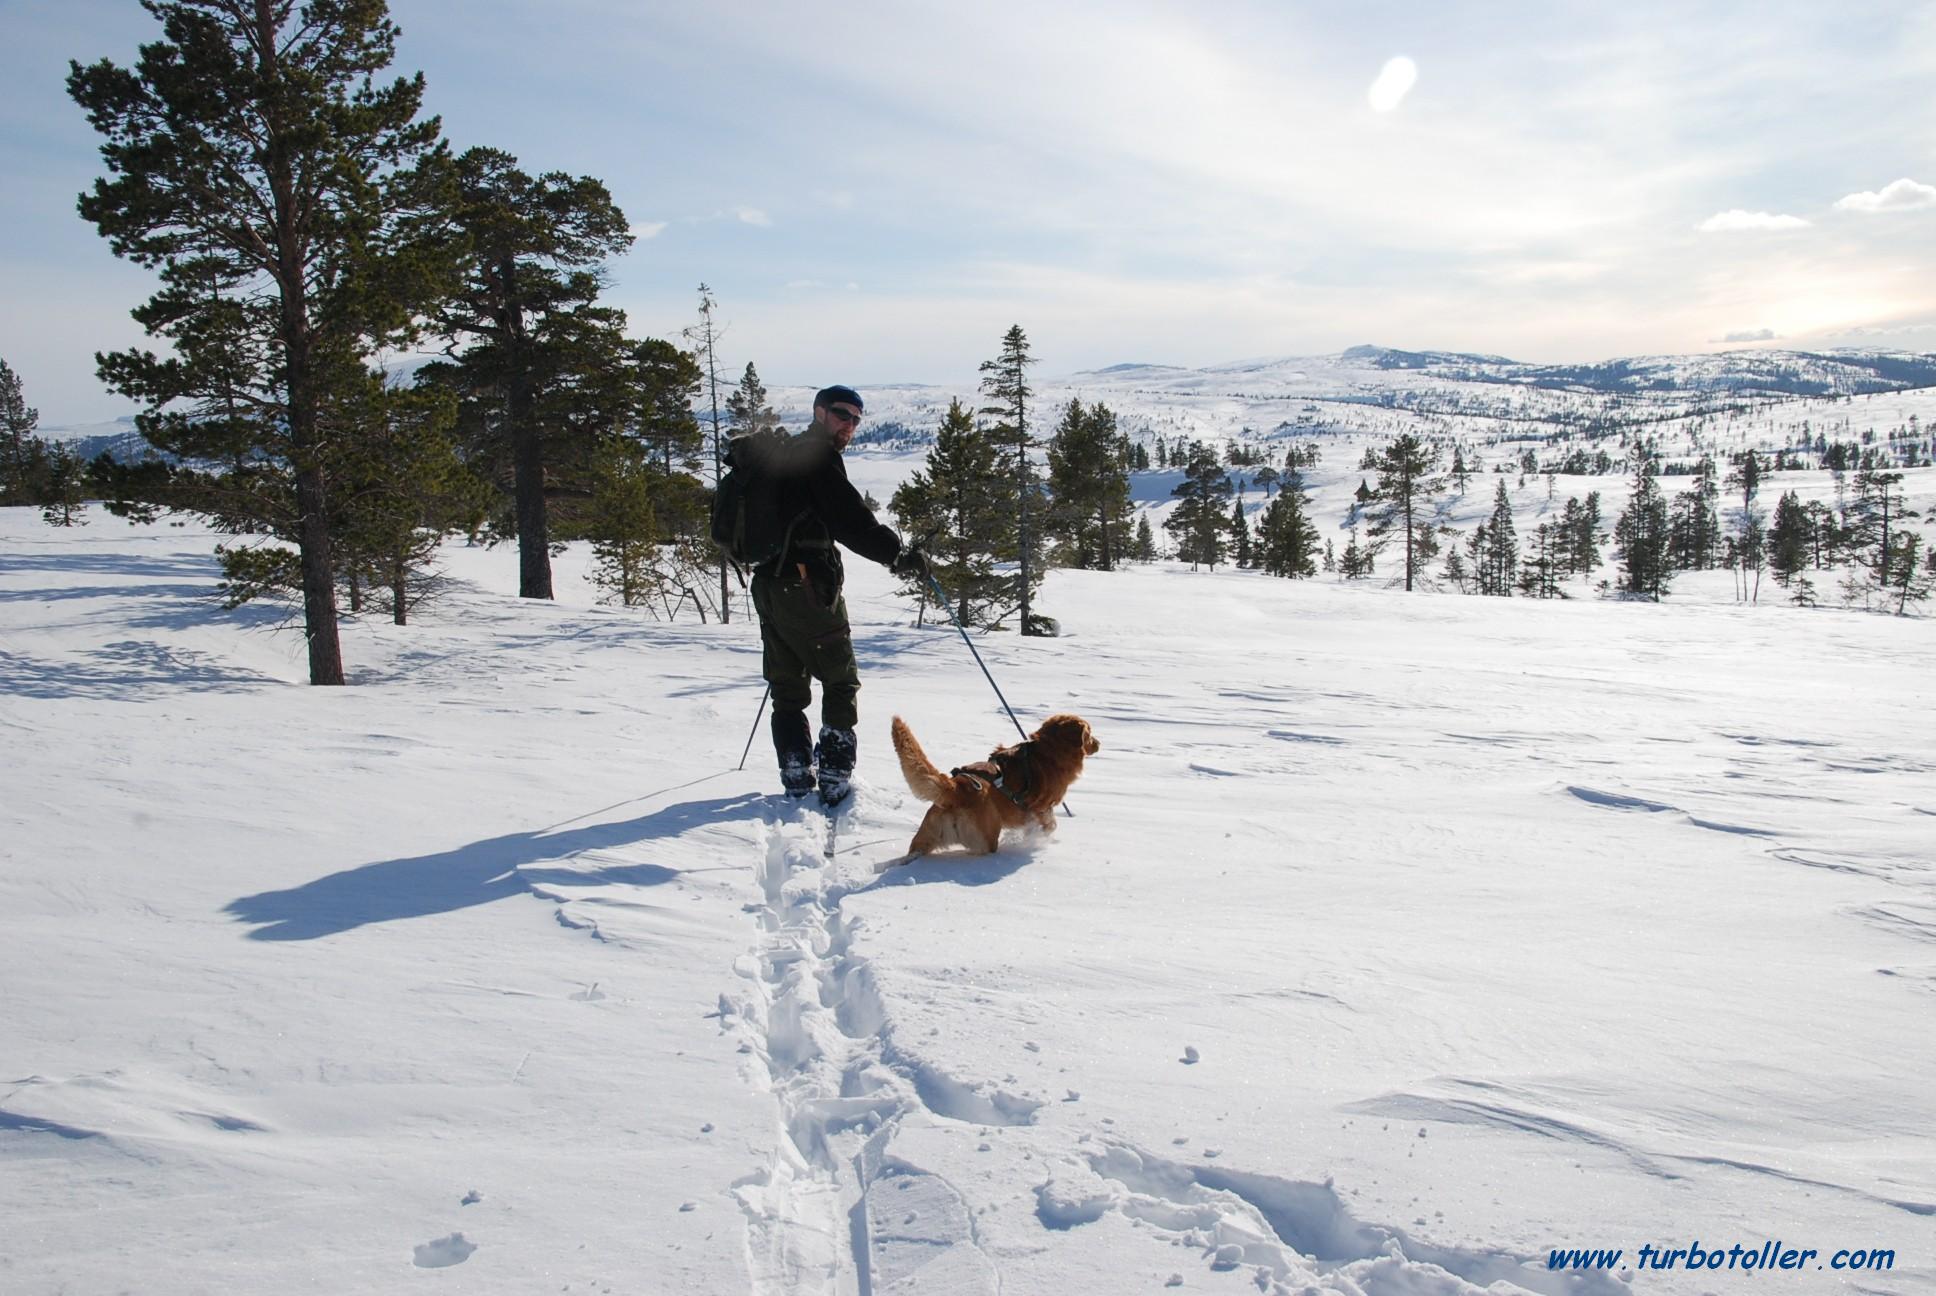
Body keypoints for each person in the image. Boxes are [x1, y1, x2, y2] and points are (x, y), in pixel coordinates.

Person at [749, 385, 930, 806]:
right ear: (819, 412)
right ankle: (833, 776)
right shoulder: (817, 458)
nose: (849, 425)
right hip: (808, 583)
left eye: (856, 419)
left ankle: (796, 774)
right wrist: (897, 555)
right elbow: (850, 520)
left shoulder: (784, 455)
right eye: (842, 414)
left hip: (769, 585)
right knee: (840, 677)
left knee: (787, 682)